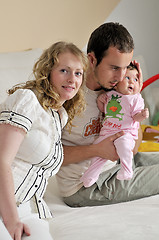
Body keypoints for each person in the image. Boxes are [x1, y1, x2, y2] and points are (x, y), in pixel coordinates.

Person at [56, 22, 159, 208]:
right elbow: (49, 155)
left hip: (117, 163)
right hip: (85, 186)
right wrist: (97, 150)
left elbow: (134, 147)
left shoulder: (118, 92)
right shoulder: (68, 94)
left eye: (125, 68)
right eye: (114, 68)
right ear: (92, 60)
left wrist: (133, 96)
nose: (121, 77)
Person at [0, 41, 87, 240]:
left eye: (78, 73)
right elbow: (2, 161)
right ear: (48, 71)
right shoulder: (27, 99)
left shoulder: (60, 116)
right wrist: (12, 220)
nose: (72, 79)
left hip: (27, 208)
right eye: (64, 70)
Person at [80, 63, 149, 187]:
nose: (131, 82)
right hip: (107, 132)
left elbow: (135, 117)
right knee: (98, 152)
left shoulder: (135, 98)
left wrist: (142, 115)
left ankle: (127, 170)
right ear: (116, 83)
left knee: (123, 145)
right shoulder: (111, 95)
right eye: (127, 78)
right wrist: (100, 101)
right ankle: (91, 175)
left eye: (136, 79)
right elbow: (104, 110)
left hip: (126, 133)